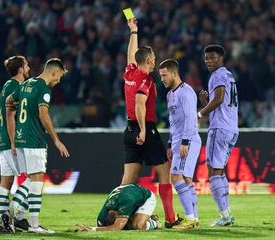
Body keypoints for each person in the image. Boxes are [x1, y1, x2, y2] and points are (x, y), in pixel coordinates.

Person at [122, 18, 179, 228]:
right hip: (144, 129)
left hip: (128, 129)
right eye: (153, 58)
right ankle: (171, 218)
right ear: (150, 61)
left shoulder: (129, 72)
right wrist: (144, 130)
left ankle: (116, 216)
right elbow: (140, 103)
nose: (155, 61)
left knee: (128, 179)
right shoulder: (146, 79)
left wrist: (134, 32)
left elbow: (131, 55)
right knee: (164, 173)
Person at [6, 58, 70, 234]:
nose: (58, 82)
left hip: (20, 138)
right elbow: (43, 114)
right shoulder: (43, 88)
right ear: (54, 72)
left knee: (30, 179)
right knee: (38, 180)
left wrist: (15, 117)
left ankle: (16, 214)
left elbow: (10, 101)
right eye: (59, 77)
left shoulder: (27, 83)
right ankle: (32, 223)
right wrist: (56, 140)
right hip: (34, 140)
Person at [198, 44, 239, 226]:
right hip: (231, 128)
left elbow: (220, 98)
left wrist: (200, 113)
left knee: (213, 171)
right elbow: (221, 101)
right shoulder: (229, 75)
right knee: (219, 171)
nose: (209, 61)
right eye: (206, 58)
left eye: (212, 57)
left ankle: (225, 216)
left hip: (219, 128)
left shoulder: (218, 75)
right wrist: (206, 102)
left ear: (221, 58)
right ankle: (226, 214)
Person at [158, 59, 201, 229]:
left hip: (187, 140)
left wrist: (184, 142)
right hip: (177, 142)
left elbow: (191, 118)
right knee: (186, 179)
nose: (162, 79)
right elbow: (173, 122)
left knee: (175, 177)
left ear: (174, 73)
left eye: (164, 75)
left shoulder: (187, 92)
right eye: (160, 76)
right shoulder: (170, 94)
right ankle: (194, 218)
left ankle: (189, 219)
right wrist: (169, 144)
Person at [0, 56, 32, 233]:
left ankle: (5, 222)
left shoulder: (6, 86)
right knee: (33, 178)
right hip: (12, 140)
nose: (28, 68)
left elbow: (3, 115)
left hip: (1, 140)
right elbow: (11, 116)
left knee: (6, 182)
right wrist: (13, 141)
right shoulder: (17, 87)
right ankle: (13, 216)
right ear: (20, 70)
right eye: (26, 65)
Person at [76, 184, 161, 231]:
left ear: (112, 212)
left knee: (136, 226)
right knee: (127, 225)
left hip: (146, 197)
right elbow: (102, 227)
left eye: (118, 217)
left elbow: (117, 227)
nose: (120, 217)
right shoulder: (102, 216)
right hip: (129, 194)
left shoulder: (126, 201)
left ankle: (154, 222)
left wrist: (92, 229)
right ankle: (139, 216)